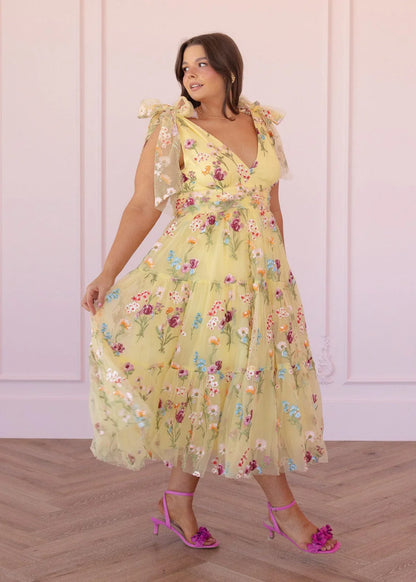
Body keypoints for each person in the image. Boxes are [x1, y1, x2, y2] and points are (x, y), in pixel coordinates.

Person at [81, 32, 340, 553]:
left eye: (201, 64)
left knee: (222, 386)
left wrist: (279, 277)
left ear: (228, 68)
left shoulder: (262, 123)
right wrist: (108, 273)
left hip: (261, 282)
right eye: (184, 68)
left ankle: (177, 502)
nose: (191, 74)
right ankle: (286, 513)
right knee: (229, 383)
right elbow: (144, 205)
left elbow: (272, 207)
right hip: (201, 281)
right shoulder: (173, 127)